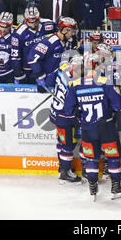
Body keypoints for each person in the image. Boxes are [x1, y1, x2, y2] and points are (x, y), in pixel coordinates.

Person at [63, 53, 121, 200]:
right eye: (99, 64)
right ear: (95, 66)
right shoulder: (104, 81)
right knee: (113, 157)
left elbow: (68, 109)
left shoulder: (75, 84)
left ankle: (92, 188)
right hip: (106, 126)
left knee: (91, 159)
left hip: (87, 128)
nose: (101, 66)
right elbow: (118, 106)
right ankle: (116, 187)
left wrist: (78, 112)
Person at [47, 54, 85, 185]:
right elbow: (72, 104)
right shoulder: (76, 81)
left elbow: (48, 81)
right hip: (65, 117)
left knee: (61, 141)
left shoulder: (62, 68)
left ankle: (61, 168)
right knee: (68, 145)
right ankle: (65, 174)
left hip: (55, 113)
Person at [28, 17, 77, 89]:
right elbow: (32, 59)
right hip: (48, 81)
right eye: (72, 31)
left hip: (60, 80)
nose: (73, 34)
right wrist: (40, 77)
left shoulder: (69, 42)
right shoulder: (49, 41)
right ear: (64, 30)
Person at [11, 6, 57, 84]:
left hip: (47, 66)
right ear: (25, 19)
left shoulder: (49, 24)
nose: (32, 25)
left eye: (35, 22)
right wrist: (18, 74)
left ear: (39, 18)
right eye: (29, 22)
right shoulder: (18, 33)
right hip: (29, 69)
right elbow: (15, 56)